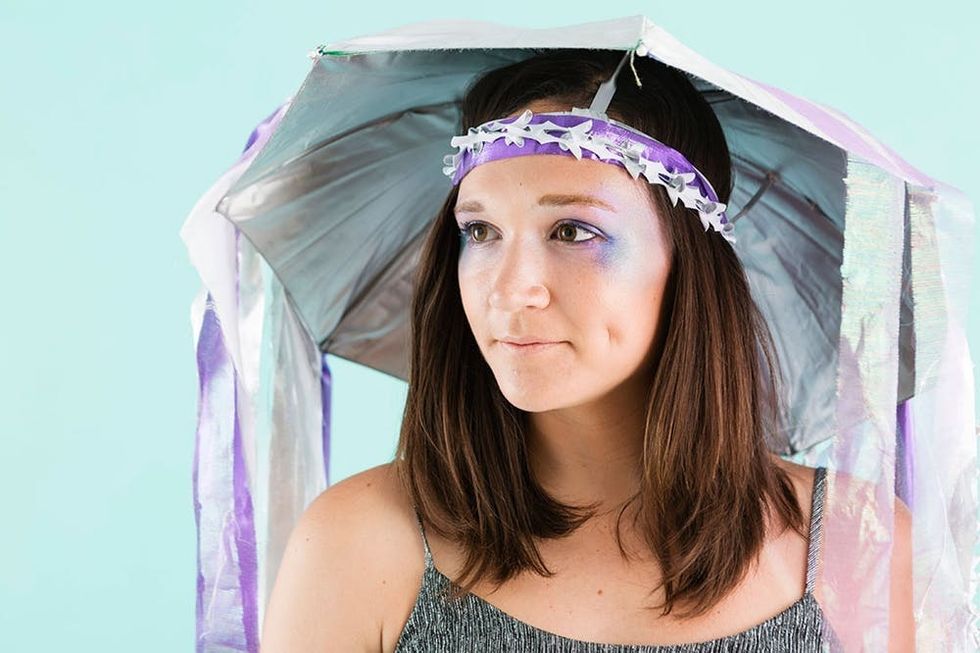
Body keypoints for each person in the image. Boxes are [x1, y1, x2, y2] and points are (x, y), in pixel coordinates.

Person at [258, 49, 912, 652]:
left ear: (685, 262)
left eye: (572, 230)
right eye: (480, 231)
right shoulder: (359, 545)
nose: (510, 288)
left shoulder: (861, 548)